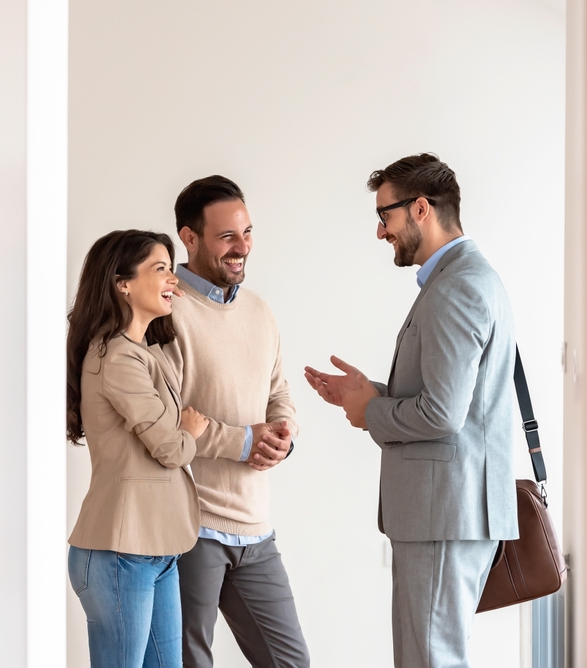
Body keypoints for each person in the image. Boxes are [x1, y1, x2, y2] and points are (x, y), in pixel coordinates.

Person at [303, 154, 519, 668]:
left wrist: (371, 412)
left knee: (430, 659)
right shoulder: (464, 279)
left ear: (420, 208)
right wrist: (366, 393)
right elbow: (453, 395)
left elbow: (443, 414)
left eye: (386, 216)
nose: (381, 232)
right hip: (448, 512)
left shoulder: (457, 287)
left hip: (444, 513)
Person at [163, 176, 310, 667]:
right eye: (227, 236)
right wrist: (245, 441)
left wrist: (281, 437)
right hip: (191, 525)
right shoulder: (166, 312)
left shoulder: (259, 311)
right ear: (189, 237)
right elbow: (166, 424)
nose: (242, 247)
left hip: (255, 529)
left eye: (247, 233)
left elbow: (277, 390)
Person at [66, 229, 210, 668]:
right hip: (120, 552)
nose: (174, 279)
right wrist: (189, 431)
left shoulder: (144, 352)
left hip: (155, 547)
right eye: (161, 269)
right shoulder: (116, 357)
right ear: (122, 283)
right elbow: (170, 447)